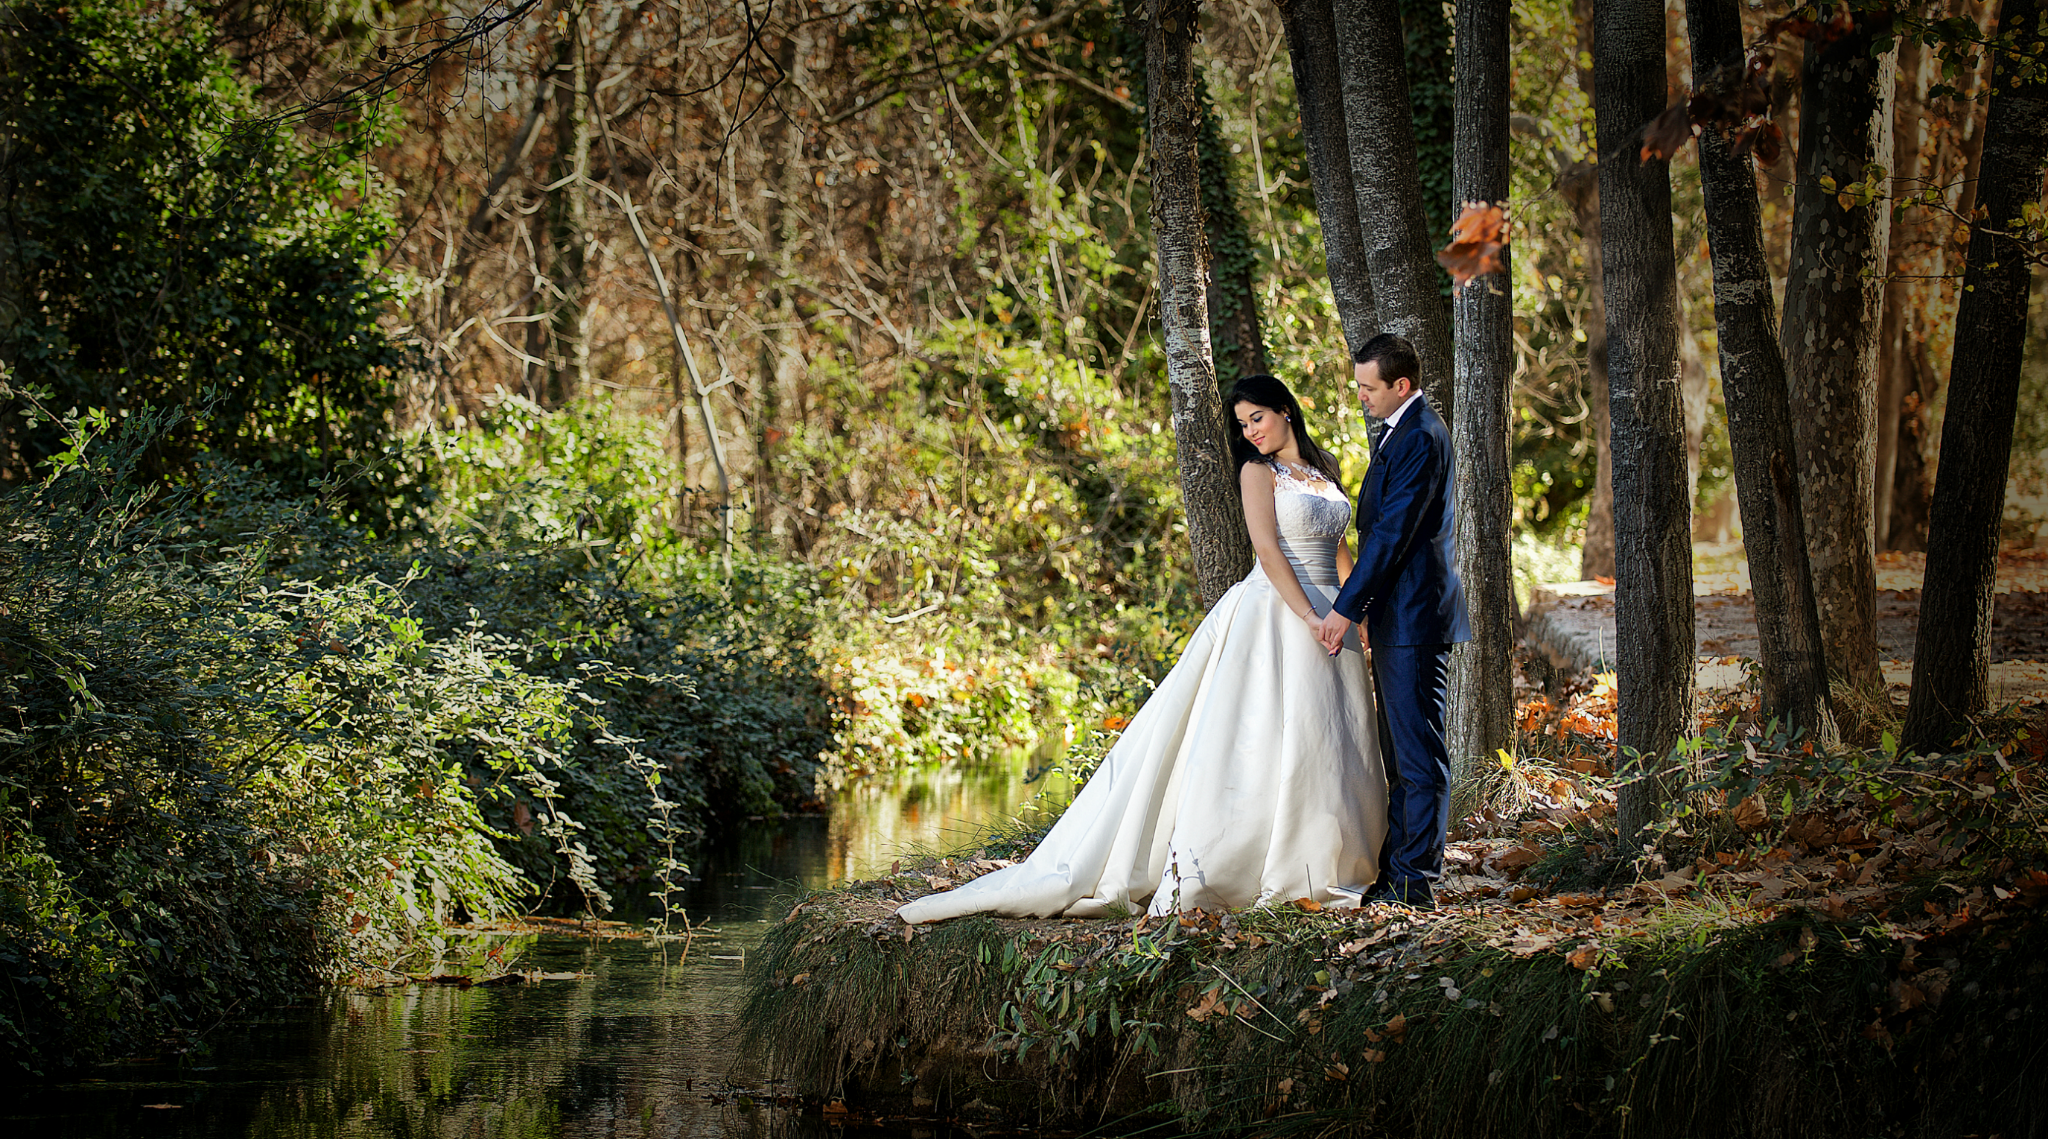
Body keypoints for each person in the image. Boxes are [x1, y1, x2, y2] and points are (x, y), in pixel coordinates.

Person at [896, 374, 1387, 923]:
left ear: (1285, 412)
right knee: (1271, 736)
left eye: (1258, 418)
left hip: (1335, 615)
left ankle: (1331, 857)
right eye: (1242, 424)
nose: (1250, 432)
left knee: (1329, 737)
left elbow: (1340, 548)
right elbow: (1268, 551)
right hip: (1282, 610)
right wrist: (1311, 617)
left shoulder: (1320, 473)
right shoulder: (1257, 472)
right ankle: (1265, 864)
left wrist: (1355, 611)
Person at [1317, 333, 1470, 910]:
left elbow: (1390, 535)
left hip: (1415, 618)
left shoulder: (1422, 437)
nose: (1359, 396)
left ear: (1399, 386)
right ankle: (1397, 876)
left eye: (1367, 387)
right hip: (1396, 618)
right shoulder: (1399, 433)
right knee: (1400, 753)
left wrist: (1344, 606)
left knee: (1419, 754)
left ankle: (1415, 884)